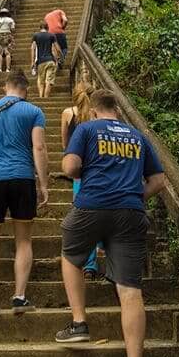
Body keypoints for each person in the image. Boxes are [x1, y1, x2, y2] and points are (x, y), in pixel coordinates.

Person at [56, 88, 167, 357]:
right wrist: (133, 195)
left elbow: (70, 167)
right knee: (130, 289)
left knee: (71, 255)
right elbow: (158, 181)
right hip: (131, 212)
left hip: (92, 205)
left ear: (92, 110)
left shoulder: (87, 128)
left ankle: (79, 323)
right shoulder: (136, 135)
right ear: (117, 110)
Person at [0, 70, 49, 317]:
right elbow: (38, 147)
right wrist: (44, 184)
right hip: (22, 177)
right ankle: (19, 296)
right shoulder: (33, 111)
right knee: (24, 240)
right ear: (25, 90)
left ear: (5, 88)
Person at [60, 82, 104, 277]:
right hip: (99, 169)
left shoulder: (68, 113)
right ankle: (103, 246)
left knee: (84, 216)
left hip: (79, 171)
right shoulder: (97, 117)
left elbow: (65, 144)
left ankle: (89, 264)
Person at [30, 21, 61, 99]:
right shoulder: (51, 35)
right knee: (49, 80)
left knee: (41, 80)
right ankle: (46, 98)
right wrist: (59, 57)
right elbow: (57, 48)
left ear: (40, 27)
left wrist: (32, 61)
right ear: (47, 28)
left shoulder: (36, 36)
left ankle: (41, 97)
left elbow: (32, 48)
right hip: (50, 60)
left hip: (40, 61)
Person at [0, 8, 15, 73]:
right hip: (8, 35)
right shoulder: (10, 20)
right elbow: (13, 29)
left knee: (0, 53)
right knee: (7, 52)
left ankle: (0, 69)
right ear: (7, 13)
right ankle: (7, 69)